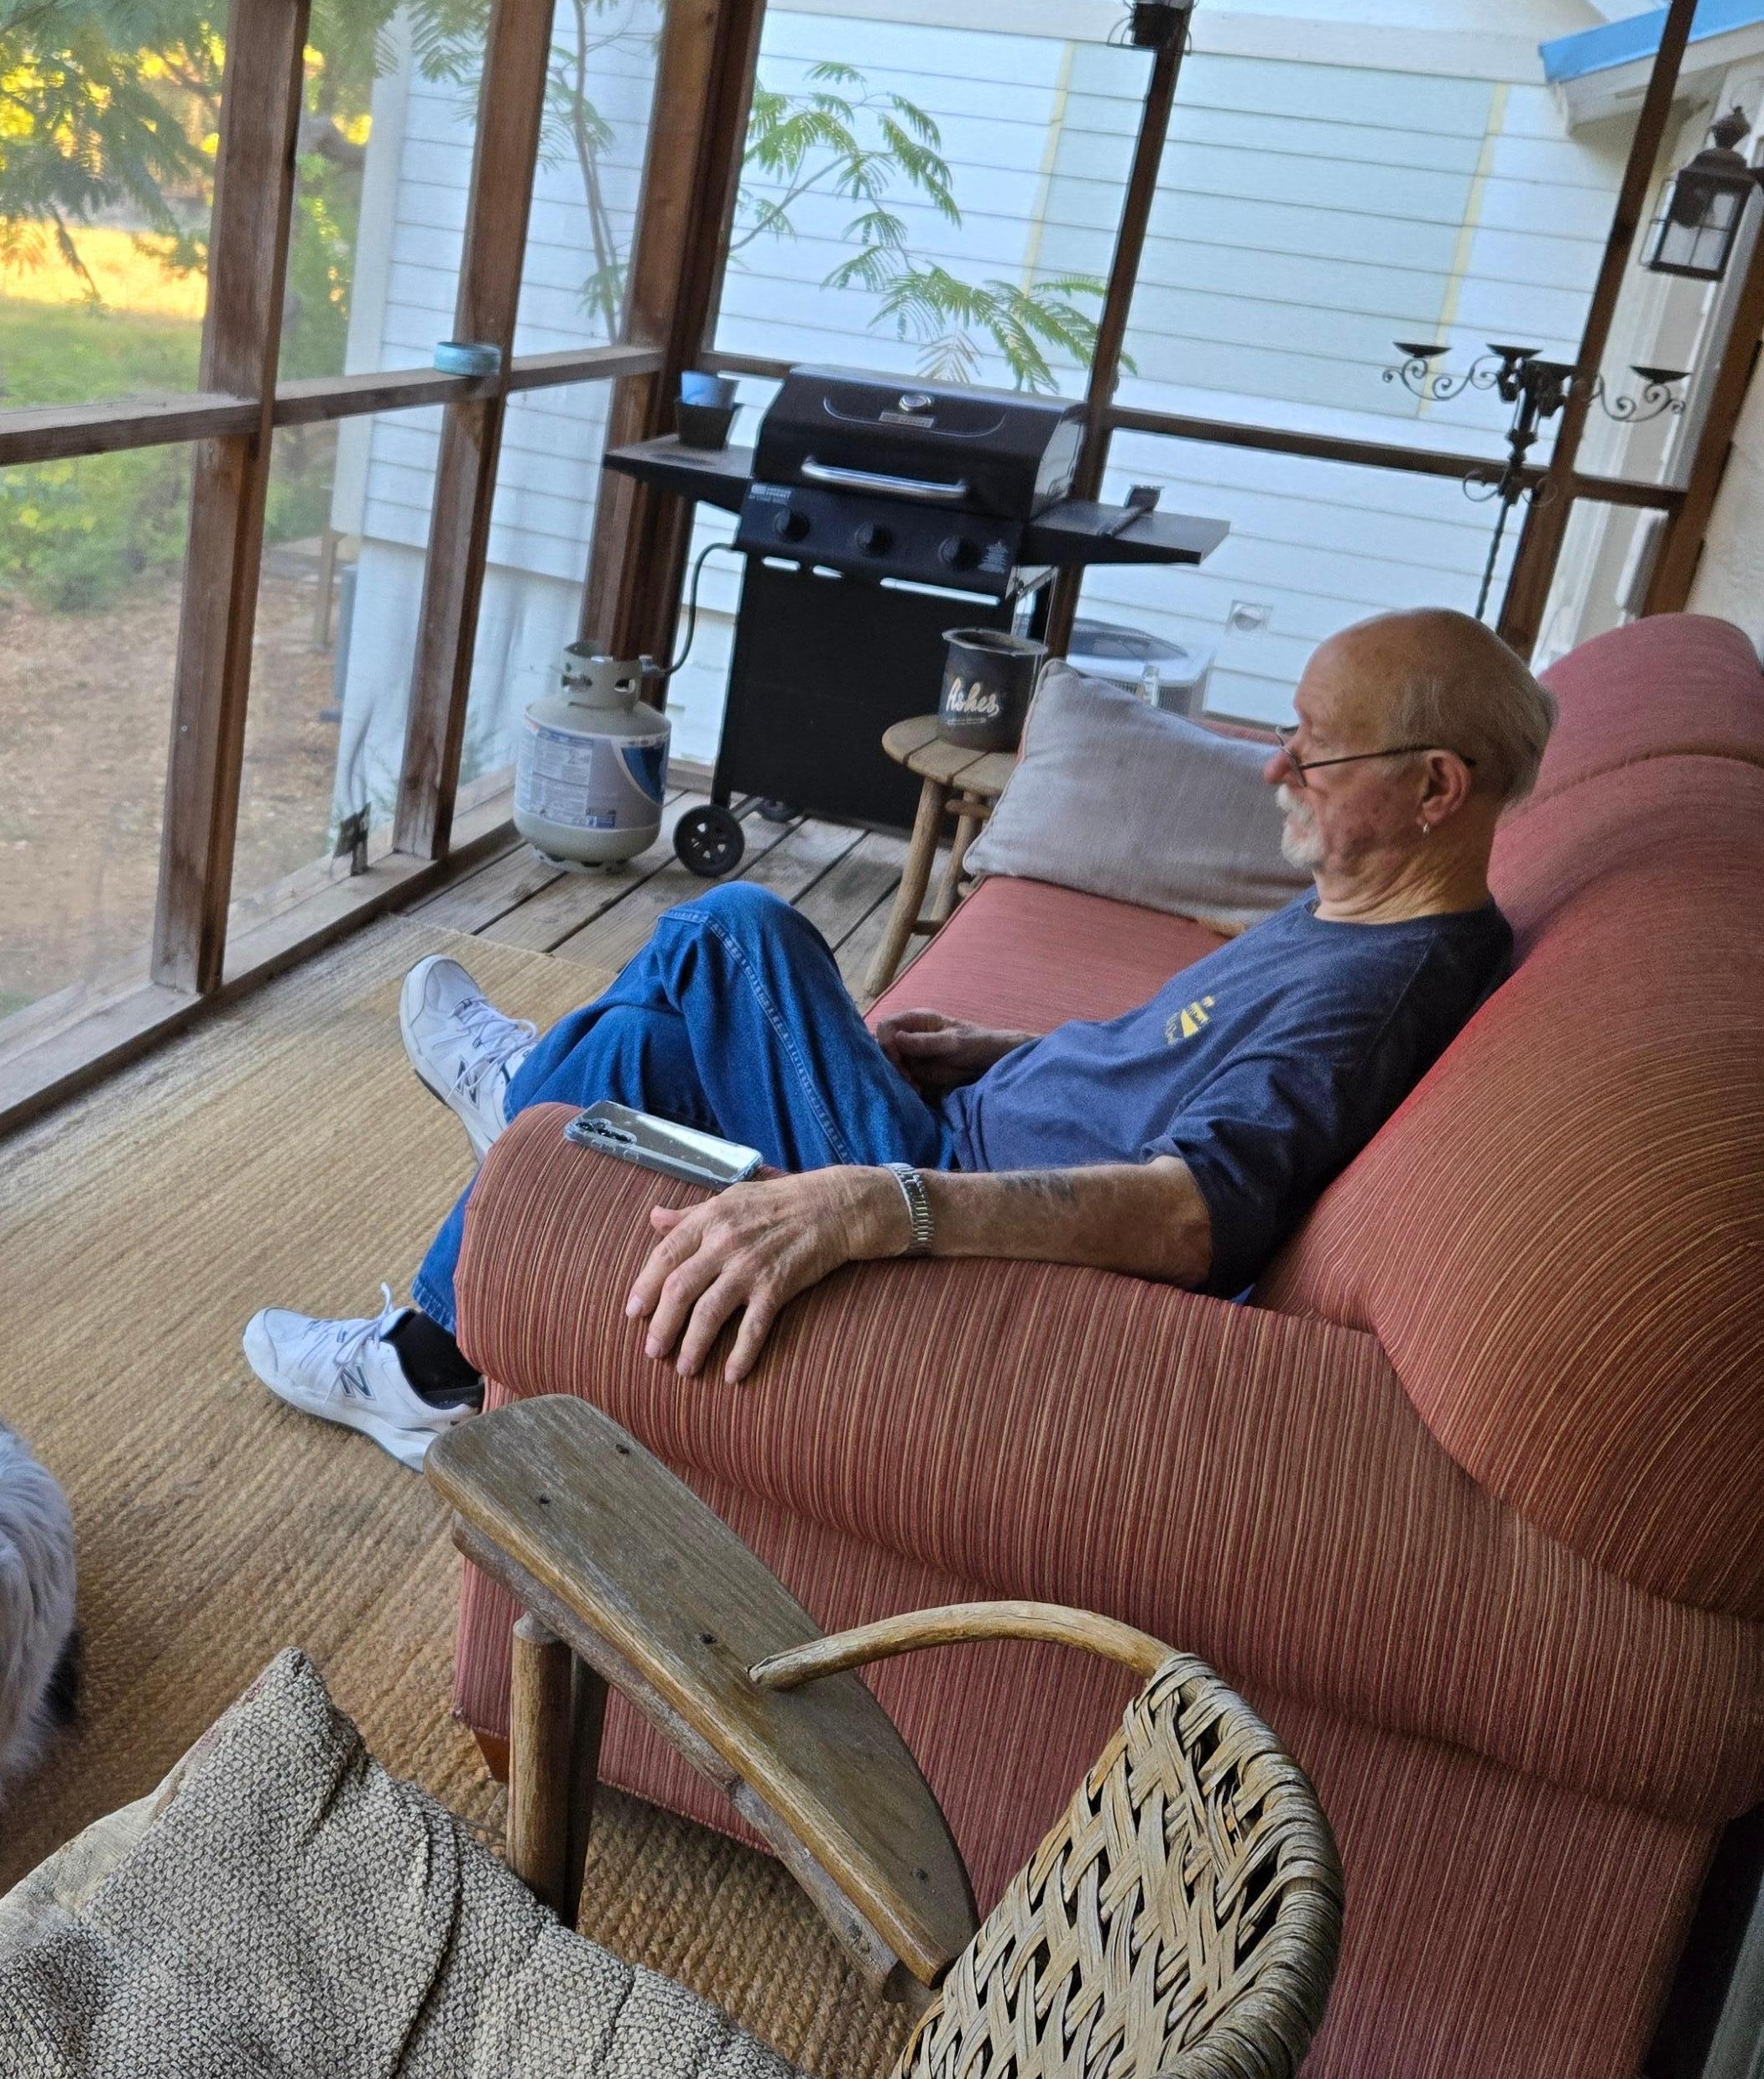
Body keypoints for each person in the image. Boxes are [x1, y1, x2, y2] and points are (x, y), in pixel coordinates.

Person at [243, 605, 1553, 1469]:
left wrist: (882, 1202)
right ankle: (473, 1262)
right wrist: (1001, 1048)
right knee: (638, 1054)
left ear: (1435, 788)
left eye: (1313, 754)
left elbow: (1190, 1215)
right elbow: (1165, 1062)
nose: (1275, 770)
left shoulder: (1375, 997)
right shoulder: (1357, 913)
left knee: (739, 930)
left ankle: (444, 1309)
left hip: (943, 1199)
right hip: (959, 1120)